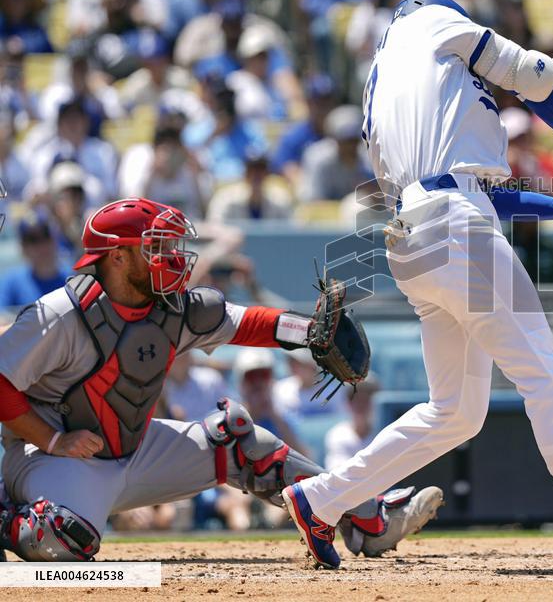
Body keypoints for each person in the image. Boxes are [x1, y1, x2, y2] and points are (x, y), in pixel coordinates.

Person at [282, 0, 553, 573]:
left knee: (456, 412)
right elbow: (535, 75)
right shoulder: (437, 23)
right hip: (453, 227)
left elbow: (481, 191)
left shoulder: (386, 81)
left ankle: (321, 498)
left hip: (414, 237)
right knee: (546, 377)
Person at [0, 198, 441, 562]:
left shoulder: (172, 306)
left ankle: (367, 516)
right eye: (155, 246)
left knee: (241, 443)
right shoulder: (62, 313)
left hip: (135, 452)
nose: (171, 256)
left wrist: (308, 331)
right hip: (56, 456)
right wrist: (53, 440)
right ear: (116, 257)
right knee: (64, 543)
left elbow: (246, 322)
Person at [0, 213, 72, 310]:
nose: (41, 246)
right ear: (23, 247)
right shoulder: (11, 283)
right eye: (33, 240)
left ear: (55, 239)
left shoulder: (72, 279)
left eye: (45, 236)